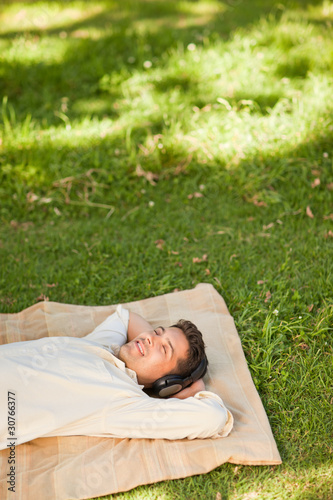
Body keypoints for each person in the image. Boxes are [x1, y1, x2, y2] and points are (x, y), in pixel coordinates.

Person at [0, 305, 233, 450]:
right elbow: (125, 317)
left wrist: (190, 388)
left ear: (167, 384)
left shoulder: (124, 402)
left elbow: (213, 416)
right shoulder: (103, 344)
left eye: (164, 349)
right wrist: (152, 344)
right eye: (156, 332)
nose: (151, 338)